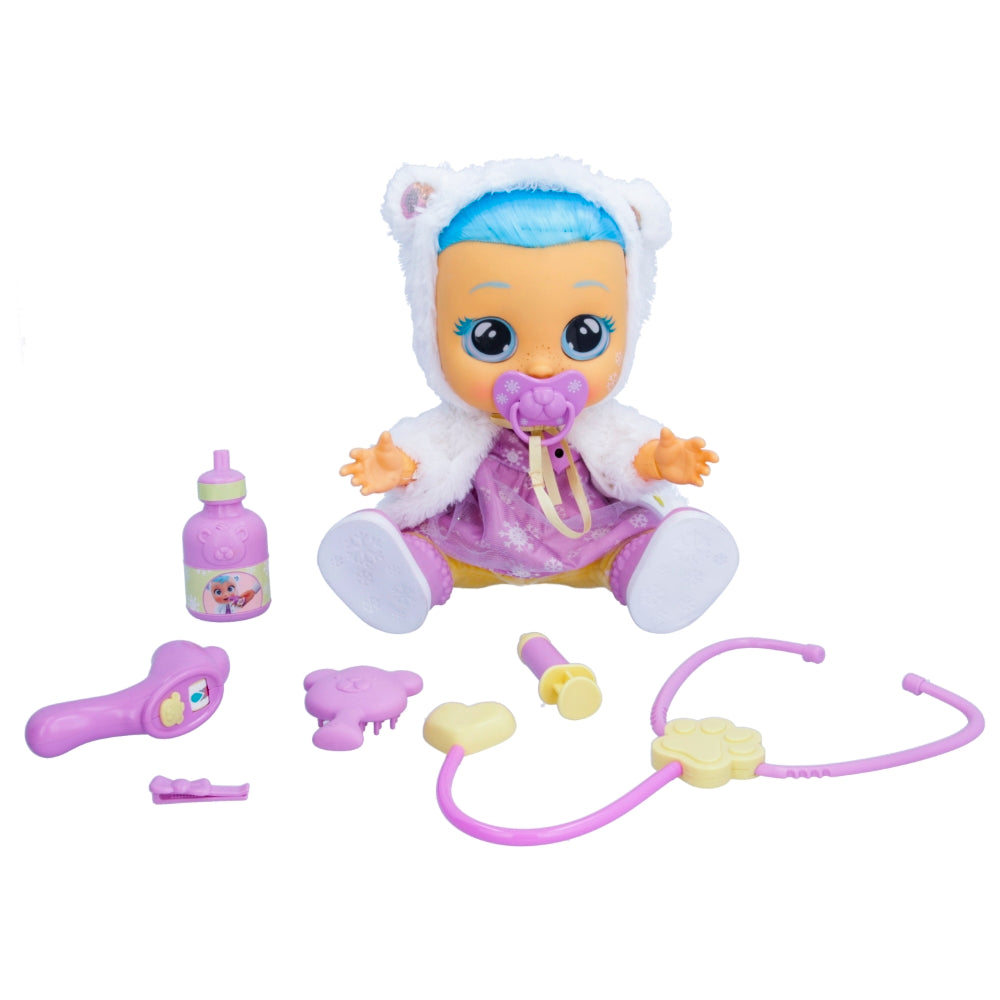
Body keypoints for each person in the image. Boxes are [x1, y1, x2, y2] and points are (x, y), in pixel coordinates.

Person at [318, 157, 737, 634]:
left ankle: (649, 570)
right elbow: (433, 454)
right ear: (430, 329)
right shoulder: (463, 424)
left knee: (636, 532)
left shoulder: (595, 422)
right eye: (491, 338)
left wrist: (656, 462)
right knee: (425, 538)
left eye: (583, 336)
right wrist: (400, 467)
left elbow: (622, 455)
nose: (540, 367)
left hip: (589, 534)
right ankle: (407, 575)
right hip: (477, 533)